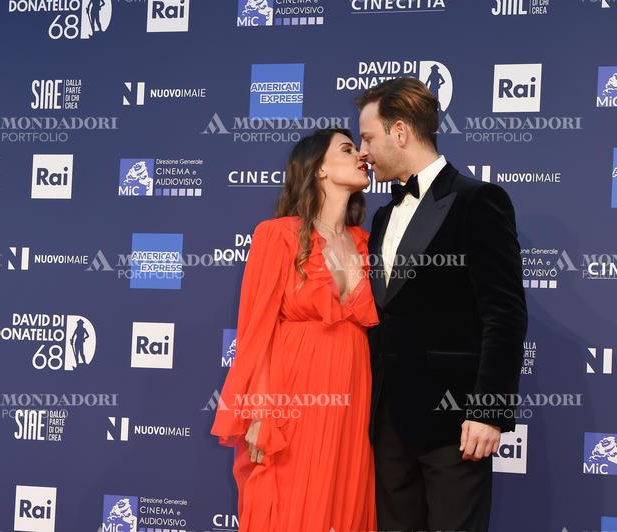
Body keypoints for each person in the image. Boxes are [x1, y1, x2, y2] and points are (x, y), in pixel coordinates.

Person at [356, 77, 527, 532]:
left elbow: (504, 314)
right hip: (389, 422)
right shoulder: (382, 216)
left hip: (455, 423)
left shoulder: (478, 201)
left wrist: (488, 410)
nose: (363, 151)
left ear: (399, 132)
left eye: (368, 137)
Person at [211, 128, 378, 531]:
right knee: (290, 506)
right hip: (295, 398)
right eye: (348, 149)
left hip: (353, 398)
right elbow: (256, 331)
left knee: (342, 501)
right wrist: (259, 414)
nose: (362, 156)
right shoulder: (277, 235)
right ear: (319, 169)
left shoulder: (366, 242)